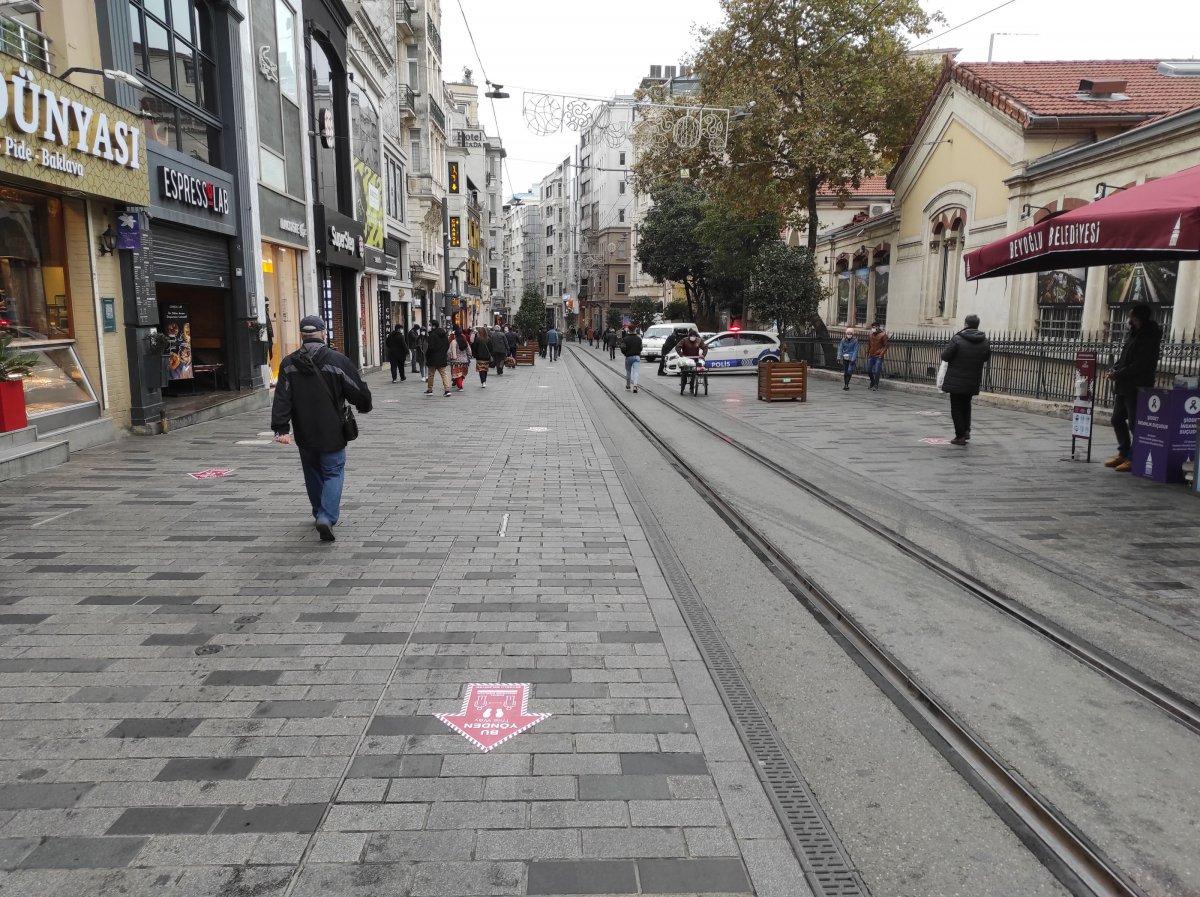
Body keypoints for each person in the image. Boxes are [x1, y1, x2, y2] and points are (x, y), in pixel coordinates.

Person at [271, 316, 372, 543]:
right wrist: (364, 405)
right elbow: (357, 390)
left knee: (312, 472)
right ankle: (326, 517)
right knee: (333, 471)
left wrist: (281, 428)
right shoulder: (337, 360)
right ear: (323, 333)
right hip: (332, 429)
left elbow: (282, 398)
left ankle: (319, 511)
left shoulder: (288, 364)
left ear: (302, 335)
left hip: (304, 430)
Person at [1107, 303, 1163, 472]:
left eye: (1131, 316)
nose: (1129, 319)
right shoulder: (1133, 333)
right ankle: (1123, 452)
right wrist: (1115, 368)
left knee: (1134, 423)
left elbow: (1140, 365)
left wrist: (1118, 374)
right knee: (1116, 419)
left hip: (1137, 386)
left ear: (1139, 318)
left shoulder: (1149, 337)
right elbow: (1125, 356)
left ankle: (1134, 458)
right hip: (1124, 385)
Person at [940, 314, 991, 445]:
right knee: (966, 405)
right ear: (977, 325)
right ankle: (966, 430)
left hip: (956, 380)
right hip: (973, 380)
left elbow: (945, 356)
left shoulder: (957, 338)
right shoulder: (984, 341)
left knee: (956, 407)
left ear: (966, 324)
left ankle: (960, 436)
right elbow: (986, 357)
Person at [424, 321, 451, 397]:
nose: (429, 326)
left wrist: (427, 355)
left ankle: (430, 390)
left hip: (433, 357)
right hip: (442, 357)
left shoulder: (432, 335)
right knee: (443, 374)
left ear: (434, 326)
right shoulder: (444, 334)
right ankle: (447, 390)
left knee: (431, 374)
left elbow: (430, 347)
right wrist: (443, 352)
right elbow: (447, 345)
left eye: (430, 325)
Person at [866, 322, 888, 390]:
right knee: (869, 370)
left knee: (877, 371)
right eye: (872, 327)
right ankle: (872, 382)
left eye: (874, 327)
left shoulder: (883, 335)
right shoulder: (870, 335)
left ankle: (876, 385)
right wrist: (868, 353)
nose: (873, 328)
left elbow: (886, 346)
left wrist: (881, 354)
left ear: (878, 327)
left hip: (878, 355)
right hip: (871, 355)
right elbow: (869, 345)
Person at [448, 325, 471, 390]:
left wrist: (451, 357)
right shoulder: (465, 341)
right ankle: (460, 384)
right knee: (462, 373)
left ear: (455, 335)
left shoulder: (454, 342)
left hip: (456, 361)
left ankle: (460, 386)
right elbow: (468, 350)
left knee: (457, 374)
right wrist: (469, 355)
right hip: (464, 360)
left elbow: (450, 351)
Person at [621, 326, 643, 393]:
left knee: (628, 372)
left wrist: (625, 354)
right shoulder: (639, 339)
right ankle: (635, 386)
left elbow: (623, 348)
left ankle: (628, 386)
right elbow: (641, 347)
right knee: (636, 372)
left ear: (628, 330)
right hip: (637, 357)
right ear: (635, 330)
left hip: (629, 357)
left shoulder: (625, 339)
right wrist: (638, 352)